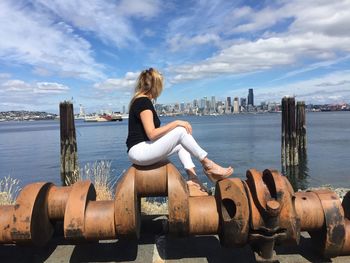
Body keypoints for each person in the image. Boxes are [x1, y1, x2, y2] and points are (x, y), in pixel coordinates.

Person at [126, 68, 233, 196]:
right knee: (181, 130)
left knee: (182, 144)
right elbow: (152, 134)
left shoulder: (140, 101)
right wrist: (176, 122)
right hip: (140, 152)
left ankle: (194, 179)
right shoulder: (143, 102)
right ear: (155, 86)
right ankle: (209, 165)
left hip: (141, 150)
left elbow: (152, 135)